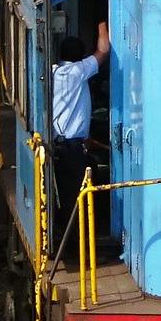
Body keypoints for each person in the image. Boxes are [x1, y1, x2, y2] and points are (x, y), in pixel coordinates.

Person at [51, 21, 110, 254]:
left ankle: (73, 243)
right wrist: (103, 26)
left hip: (60, 145)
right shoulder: (78, 72)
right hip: (73, 150)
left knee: (68, 198)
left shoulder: (53, 72)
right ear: (79, 56)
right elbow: (103, 50)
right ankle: (80, 250)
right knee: (78, 200)